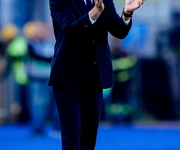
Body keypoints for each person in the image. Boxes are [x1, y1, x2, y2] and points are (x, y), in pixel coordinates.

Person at [48, 0, 145, 149]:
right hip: (68, 79)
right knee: (72, 142)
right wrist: (93, 14)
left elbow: (119, 31)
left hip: (95, 80)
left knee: (89, 142)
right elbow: (70, 29)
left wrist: (127, 13)